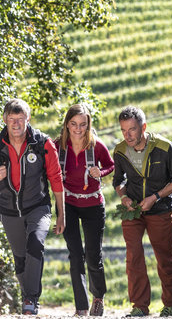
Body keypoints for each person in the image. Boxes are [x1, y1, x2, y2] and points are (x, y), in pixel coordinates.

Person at [0, 98, 65, 315]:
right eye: (11, 119)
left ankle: (30, 300)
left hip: (38, 206)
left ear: (28, 119)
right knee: (20, 257)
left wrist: (61, 213)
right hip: (9, 210)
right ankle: (28, 296)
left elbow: (55, 178)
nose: (16, 124)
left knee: (35, 244)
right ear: (5, 120)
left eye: (20, 119)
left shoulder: (42, 144)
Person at [112, 106, 172, 317]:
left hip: (160, 209)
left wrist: (155, 197)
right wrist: (123, 196)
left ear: (143, 127)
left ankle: (170, 304)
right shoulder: (119, 150)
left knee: (164, 257)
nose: (128, 135)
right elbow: (118, 181)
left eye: (132, 130)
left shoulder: (164, 147)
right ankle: (139, 307)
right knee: (133, 257)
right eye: (123, 130)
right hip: (133, 211)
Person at [55, 104, 115, 317]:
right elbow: (48, 169)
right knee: (75, 254)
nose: (78, 129)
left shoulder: (96, 145)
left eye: (83, 124)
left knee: (93, 254)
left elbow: (110, 165)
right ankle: (81, 306)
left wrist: (101, 172)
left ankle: (98, 298)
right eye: (74, 124)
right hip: (68, 205)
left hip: (93, 204)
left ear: (88, 125)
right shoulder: (58, 146)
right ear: (67, 124)